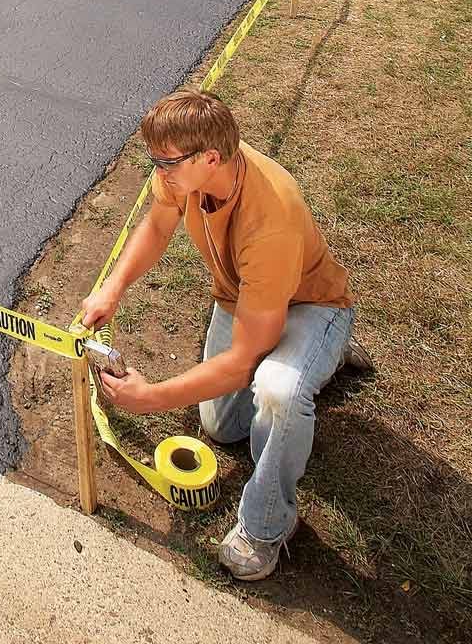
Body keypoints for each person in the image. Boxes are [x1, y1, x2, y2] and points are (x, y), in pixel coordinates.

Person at [80, 90, 370, 581]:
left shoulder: (270, 219)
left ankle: (266, 525)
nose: (159, 171)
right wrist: (113, 288)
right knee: (221, 428)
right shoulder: (183, 172)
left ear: (210, 157)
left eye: (166, 162)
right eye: (154, 159)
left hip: (311, 305)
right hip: (246, 299)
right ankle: (312, 359)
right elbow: (156, 227)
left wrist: (151, 399)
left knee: (277, 391)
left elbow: (241, 360)